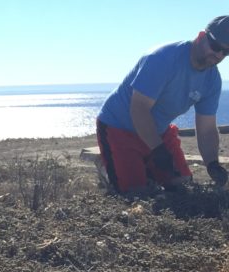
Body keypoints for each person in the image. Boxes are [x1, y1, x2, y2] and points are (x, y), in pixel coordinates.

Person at [96, 16, 229, 193]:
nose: (219, 55)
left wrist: (212, 163)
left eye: (226, 52)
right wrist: (157, 150)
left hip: (158, 131)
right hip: (119, 128)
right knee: (136, 193)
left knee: (183, 185)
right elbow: (139, 109)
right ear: (200, 36)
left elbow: (206, 129)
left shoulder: (212, 79)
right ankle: (109, 168)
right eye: (215, 46)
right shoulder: (162, 59)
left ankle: (144, 168)